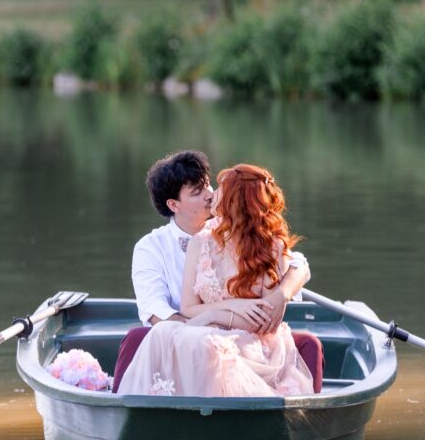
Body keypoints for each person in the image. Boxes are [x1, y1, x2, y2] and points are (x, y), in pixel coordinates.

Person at [115, 158, 322, 397]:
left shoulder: (248, 234)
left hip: (245, 335)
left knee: (308, 343)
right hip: (187, 330)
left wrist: (282, 293)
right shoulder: (152, 247)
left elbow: (297, 263)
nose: (209, 195)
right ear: (174, 204)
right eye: (197, 192)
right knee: (143, 337)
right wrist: (214, 320)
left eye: (208, 185)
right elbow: (157, 311)